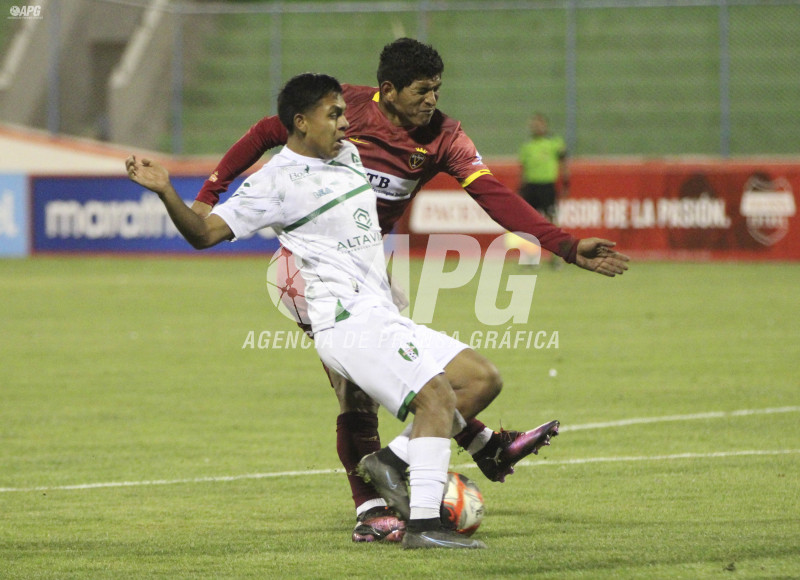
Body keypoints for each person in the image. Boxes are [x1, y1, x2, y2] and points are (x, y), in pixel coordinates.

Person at [190, 38, 629, 543]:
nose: (432, 101)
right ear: (388, 90)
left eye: (438, 90)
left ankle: (456, 450)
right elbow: (269, 130)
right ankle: (376, 506)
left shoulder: (445, 137)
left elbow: (493, 196)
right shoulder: (343, 108)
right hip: (310, 265)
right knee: (355, 391)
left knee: (413, 382)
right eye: (422, 91)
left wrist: (565, 245)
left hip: (372, 265)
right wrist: (208, 195)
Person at [127, 72, 509, 548]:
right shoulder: (274, 183)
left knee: (480, 378)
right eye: (334, 114)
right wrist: (168, 191)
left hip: (382, 313)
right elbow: (204, 235)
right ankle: (425, 526)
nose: (346, 123)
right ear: (301, 122)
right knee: (433, 395)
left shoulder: (348, 155)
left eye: (344, 112)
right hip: (347, 323)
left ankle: (391, 464)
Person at [517, 113, 569, 268]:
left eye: (539, 124)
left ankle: (557, 257)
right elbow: (523, 170)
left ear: (545, 125)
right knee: (529, 223)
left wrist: (566, 183)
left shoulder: (554, 143)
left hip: (547, 186)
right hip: (531, 187)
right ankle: (531, 258)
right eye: (533, 124)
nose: (536, 126)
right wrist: (521, 188)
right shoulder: (527, 146)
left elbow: (564, 163)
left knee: (552, 221)